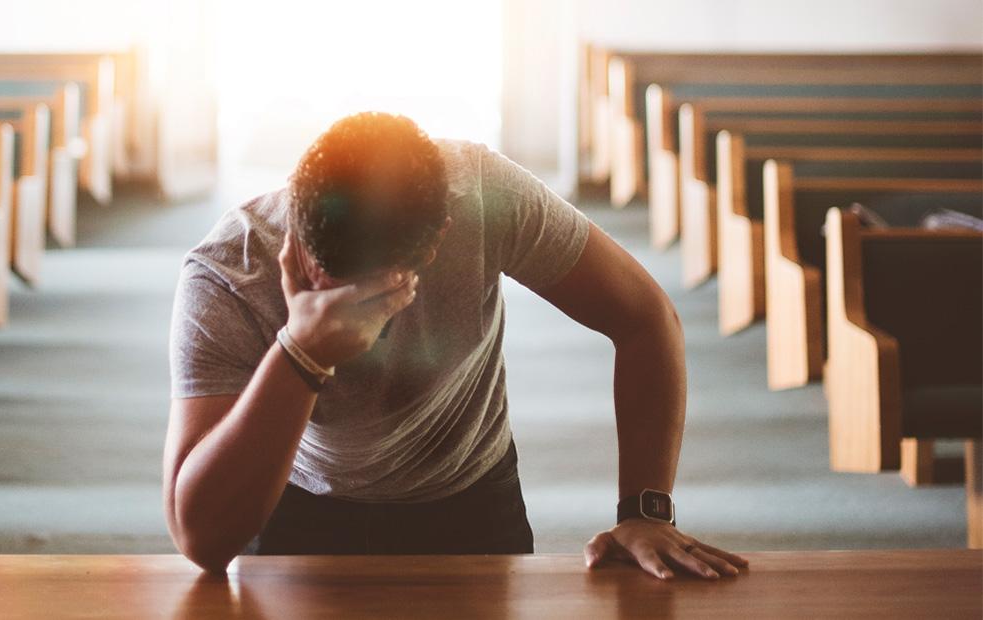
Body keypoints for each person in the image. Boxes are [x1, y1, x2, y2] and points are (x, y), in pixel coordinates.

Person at [163, 112, 748, 579]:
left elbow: (646, 318)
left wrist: (645, 512)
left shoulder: (483, 196)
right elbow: (201, 541)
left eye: (378, 287)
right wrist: (301, 353)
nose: (350, 304)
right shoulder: (230, 271)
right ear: (296, 224)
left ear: (438, 240)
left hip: (468, 497)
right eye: (331, 279)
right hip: (301, 499)